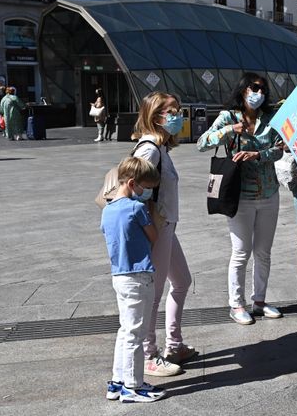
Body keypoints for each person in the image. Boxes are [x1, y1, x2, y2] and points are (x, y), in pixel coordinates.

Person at [197, 73, 286, 325]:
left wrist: (258, 154)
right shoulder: (229, 116)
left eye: (262, 89)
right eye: (254, 88)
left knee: (263, 252)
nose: (259, 93)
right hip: (240, 195)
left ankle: (259, 301)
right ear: (243, 90)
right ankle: (236, 304)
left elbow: (279, 151)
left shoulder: (270, 119)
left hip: (269, 192)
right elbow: (202, 143)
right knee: (240, 251)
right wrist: (229, 130)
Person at [132, 92, 195, 376]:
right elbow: (131, 187)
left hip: (167, 225)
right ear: (156, 115)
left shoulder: (161, 148)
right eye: (172, 111)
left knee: (182, 281)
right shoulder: (150, 150)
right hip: (155, 228)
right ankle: (149, 355)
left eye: (178, 110)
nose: (178, 115)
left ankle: (175, 344)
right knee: (153, 294)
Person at [101, 157, 166, 403]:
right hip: (139, 275)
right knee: (135, 334)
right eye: (146, 187)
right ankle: (133, 386)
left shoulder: (107, 210)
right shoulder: (137, 208)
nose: (148, 193)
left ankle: (118, 382)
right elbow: (154, 235)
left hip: (119, 274)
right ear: (132, 183)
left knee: (124, 330)